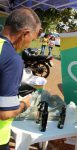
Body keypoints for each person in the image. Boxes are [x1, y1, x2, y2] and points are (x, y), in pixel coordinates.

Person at [0, 7, 42, 149]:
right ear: (25, 34)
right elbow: (5, 113)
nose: (30, 44)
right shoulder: (12, 59)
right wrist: (25, 104)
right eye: (32, 39)